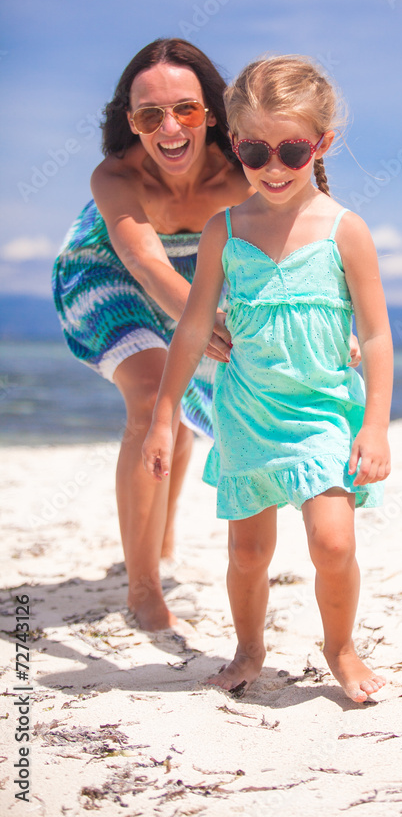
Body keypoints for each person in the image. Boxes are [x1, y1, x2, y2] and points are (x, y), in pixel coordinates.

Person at [142, 55, 393, 703]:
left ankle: (339, 646)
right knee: (248, 555)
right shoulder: (224, 230)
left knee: (333, 543)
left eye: (291, 149)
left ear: (321, 144)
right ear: (234, 145)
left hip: (321, 413)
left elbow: (374, 336)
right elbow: (193, 329)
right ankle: (248, 648)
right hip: (246, 414)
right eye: (255, 150)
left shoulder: (345, 231)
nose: (273, 166)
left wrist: (375, 427)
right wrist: (164, 414)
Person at [52, 39, 252, 633]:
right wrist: (198, 321)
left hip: (194, 272)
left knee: (182, 411)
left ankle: (159, 541)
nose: (170, 127)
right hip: (105, 270)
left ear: (212, 111)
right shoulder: (115, 177)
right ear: (130, 122)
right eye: (149, 115)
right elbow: (144, 265)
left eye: (185, 110)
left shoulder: (242, 170)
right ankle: (142, 589)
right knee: (150, 396)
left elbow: (301, 237)